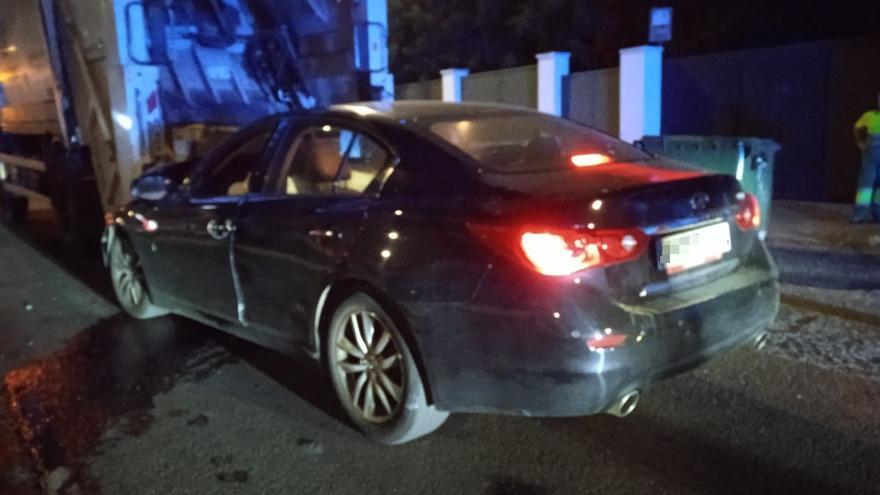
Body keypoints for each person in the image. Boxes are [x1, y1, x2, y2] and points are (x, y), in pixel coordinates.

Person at [852, 93, 880, 223]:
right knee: (865, 186)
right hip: (871, 155)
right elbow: (857, 127)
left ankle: (878, 214)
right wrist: (860, 143)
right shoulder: (870, 116)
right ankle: (860, 215)